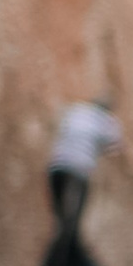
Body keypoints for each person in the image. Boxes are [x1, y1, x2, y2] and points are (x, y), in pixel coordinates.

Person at [45, 96, 120, 241]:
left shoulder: (76, 111)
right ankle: (68, 246)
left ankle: (64, 243)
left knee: (60, 219)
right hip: (79, 170)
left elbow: (59, 125)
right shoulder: (107, 120)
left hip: (56, 166)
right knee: (73, 220)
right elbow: (114, 147)